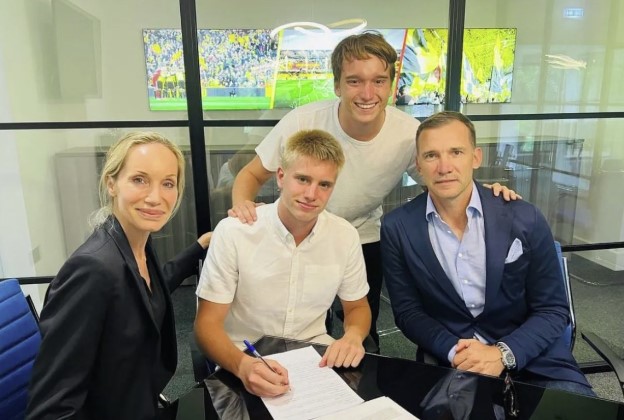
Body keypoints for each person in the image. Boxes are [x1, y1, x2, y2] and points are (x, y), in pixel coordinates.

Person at [228, 31, 517, 347]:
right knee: (294, 325)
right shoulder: (302, 121)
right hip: (298, 231)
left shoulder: (408, 134)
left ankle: (362, 370)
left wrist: (485, 195)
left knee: (362, 328)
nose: (367, 93)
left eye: (378, 81)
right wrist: (243, 209)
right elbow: (250, 174)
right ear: (337, 85)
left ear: (390, 86)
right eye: (354, 81)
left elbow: (442, 181)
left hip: (362, 235)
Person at [380, 111, 593, 395]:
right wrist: (456, 352)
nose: (444, 167)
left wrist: (502, 354)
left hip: (537, 362)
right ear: (418, 165)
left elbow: (552, 309)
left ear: (476, 157)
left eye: (456, 152)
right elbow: (408, 313)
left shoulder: (524, 217)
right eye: (431, 155)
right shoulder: (398, 227)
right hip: (456, 362)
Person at [27, 132, 212, 419]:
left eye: (167, 183)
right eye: (139, 179)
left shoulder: (136, 245)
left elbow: (142, 293)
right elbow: (51, 408)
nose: (155, 197)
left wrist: (199, 247)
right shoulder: (91, 270)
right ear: (111, 183)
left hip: (140, 400)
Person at [194, 129, 371, 398]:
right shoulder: (235, 232)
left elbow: (357, 307)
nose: (311, 194)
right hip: (243, 355)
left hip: (315, 358)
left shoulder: (344, 235)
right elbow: (206, 325)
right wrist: (243, 366)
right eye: (302, 179)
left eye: (324, 185)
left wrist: (353, 336)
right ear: (280, 176)